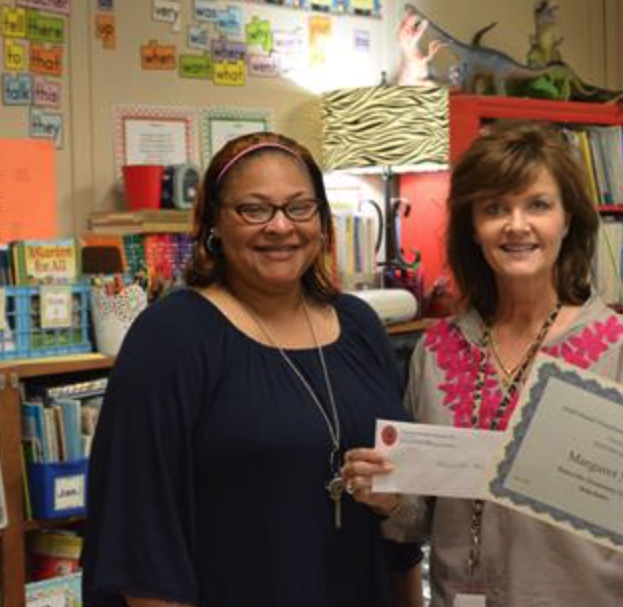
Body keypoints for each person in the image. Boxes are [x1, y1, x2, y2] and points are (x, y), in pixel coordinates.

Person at [344, 123, 623, 607]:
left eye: (538, 204)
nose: (517, 225)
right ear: (472, 227)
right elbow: (421, 514)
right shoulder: (436, 350)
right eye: (495, 208)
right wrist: (384, 494)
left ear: (567, 220)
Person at [82, 133, 422, 607]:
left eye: (299, 207)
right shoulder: (172, 337)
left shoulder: (360, 325)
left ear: (322, 222)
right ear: (214, 224)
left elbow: (400, 530)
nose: (281, 227)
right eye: (255, 209)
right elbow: (143, 539)